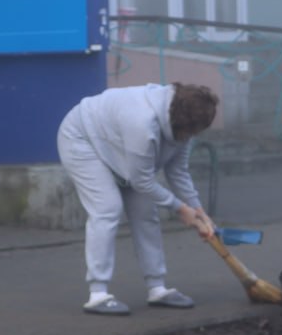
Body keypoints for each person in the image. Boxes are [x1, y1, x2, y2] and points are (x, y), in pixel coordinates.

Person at [57, 82, 219, 316]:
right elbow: (141, 181)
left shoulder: (185, 127)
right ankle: (98, 293)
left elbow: (178, 172)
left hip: (118, 143)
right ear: (183, 120)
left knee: (146, 212)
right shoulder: (142, 123)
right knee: (107, 209)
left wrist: (198, 210)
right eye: (193, 131)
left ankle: (157, 288)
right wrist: (180, 209)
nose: (193, 136)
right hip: (82, 139)